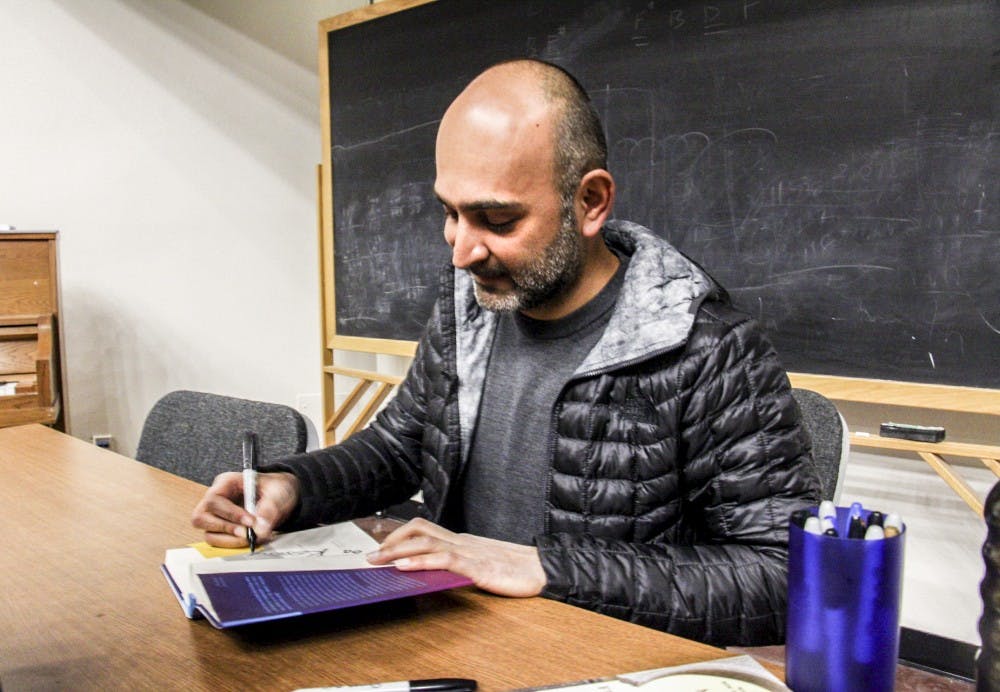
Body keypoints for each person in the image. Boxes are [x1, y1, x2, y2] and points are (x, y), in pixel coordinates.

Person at [192, 59, 820, 646]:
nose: (461, 252)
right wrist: (294, 486)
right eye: (450, 213)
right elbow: (401, 446)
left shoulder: (712, 350)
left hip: (592, 659)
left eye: (496, 221)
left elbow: (784, 577)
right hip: (458, 639)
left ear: (590, 202)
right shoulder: (469, 308)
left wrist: (545, 567)